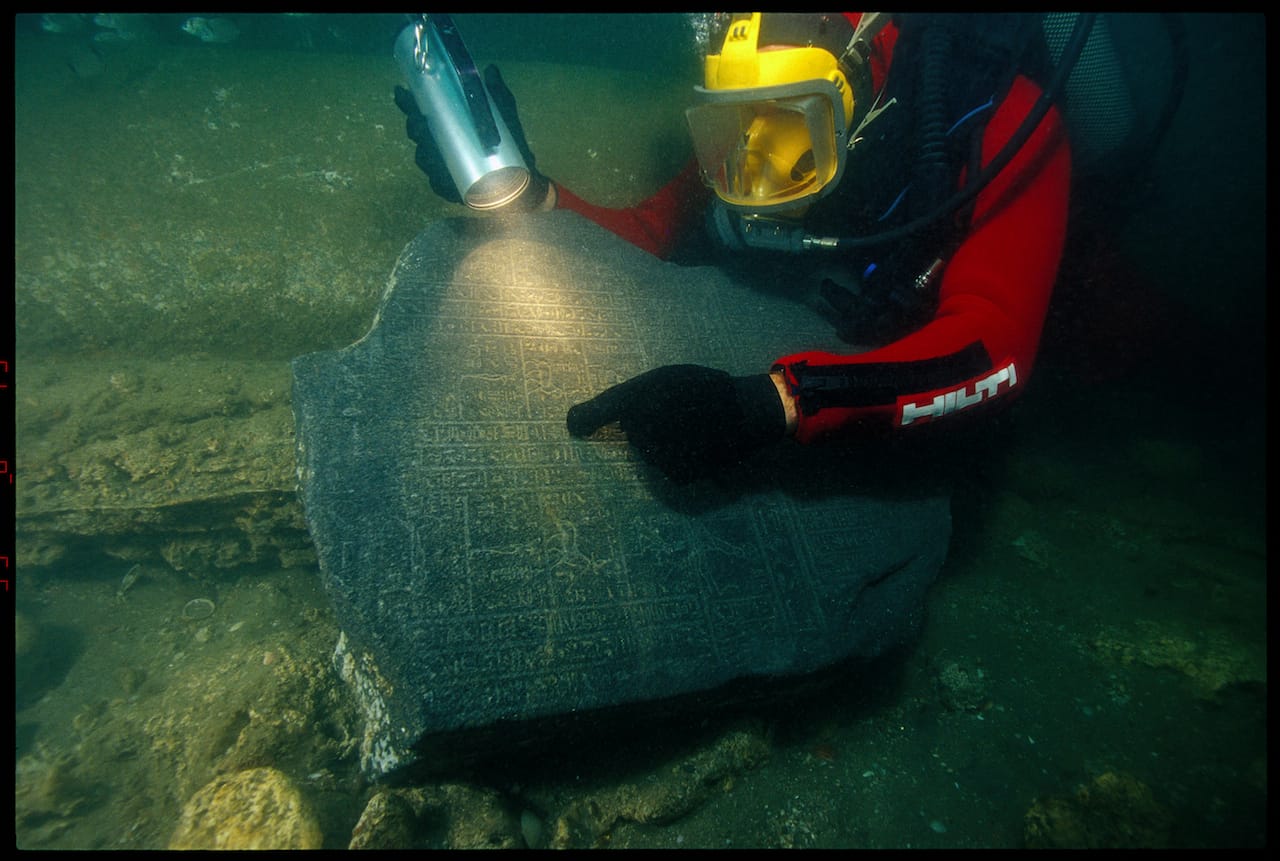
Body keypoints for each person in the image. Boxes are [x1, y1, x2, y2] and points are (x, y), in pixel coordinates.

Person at [395, 12, 1078, 482]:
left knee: (1120, 334)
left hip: (1030, 296)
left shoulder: (1006, 117)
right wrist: (529, 195)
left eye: (788, 123)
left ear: (857, 99)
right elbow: (651, 233)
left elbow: (995, 349)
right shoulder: (754, 111)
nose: (753, 162)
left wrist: (782, 401)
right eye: (733, 122)